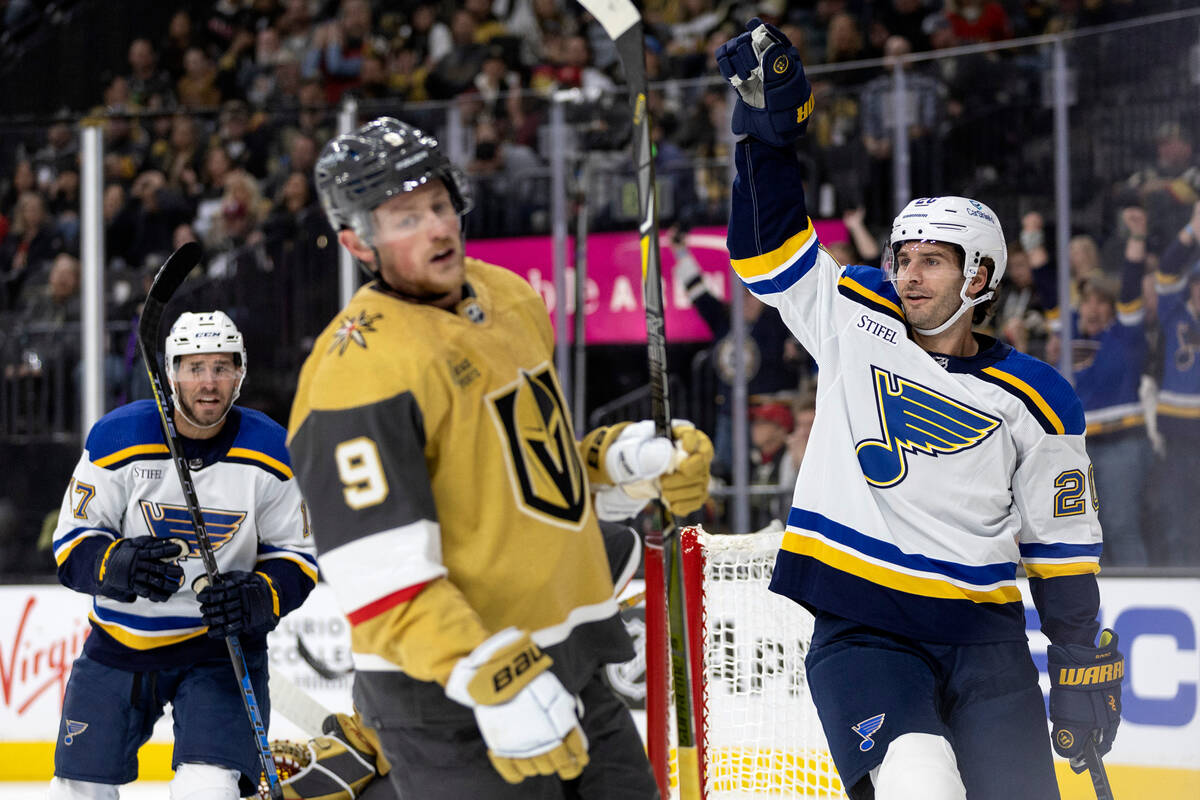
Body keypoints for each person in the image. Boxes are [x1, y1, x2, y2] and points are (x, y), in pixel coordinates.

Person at [716, 20, 1122, 799]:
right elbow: (767, 252)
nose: (908, 274)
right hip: (863, 627)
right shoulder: (855, 316)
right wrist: (766, 138)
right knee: (919, 783)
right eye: (903, 257)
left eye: (932, 260)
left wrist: (1078, 661)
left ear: (981, 279)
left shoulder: (1039, 395)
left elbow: (1060, 546)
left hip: (986, 640)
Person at [287, 116, 713, 799]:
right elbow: (379, 580)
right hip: (450, 698)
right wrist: (484, 671)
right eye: (404, 217)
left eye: (437, 204)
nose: (436, 227)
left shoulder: (506, 295)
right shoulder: (356, 373)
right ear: (355, 241)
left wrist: (622, 465)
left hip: (568, 659)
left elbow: (522, 475)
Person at [48, 310, 318, 799]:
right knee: (77, 790)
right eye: (194, 367)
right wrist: (117, 565)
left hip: (221, 651)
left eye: (222, 367)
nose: (208, 382)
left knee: (210, 792)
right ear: (171, 374)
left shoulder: (272, 450)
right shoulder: (117, 439)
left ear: (241, 374)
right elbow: (71, 545)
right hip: (120, 644)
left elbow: (296, 556)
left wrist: (262, 595)